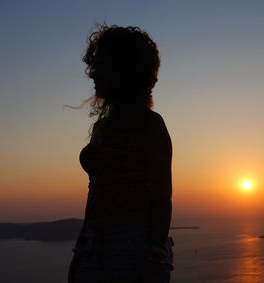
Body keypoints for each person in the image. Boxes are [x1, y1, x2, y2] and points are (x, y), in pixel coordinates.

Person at [68, 24, 174, 283]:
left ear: (124, 71)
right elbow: (96, 190)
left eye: (101, 66)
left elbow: (162, 196)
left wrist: (155, 256)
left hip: (132, 244)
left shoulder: (150, 125)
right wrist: (81, 248)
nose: (93, 74)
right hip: (94, 243)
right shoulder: (101, 127)